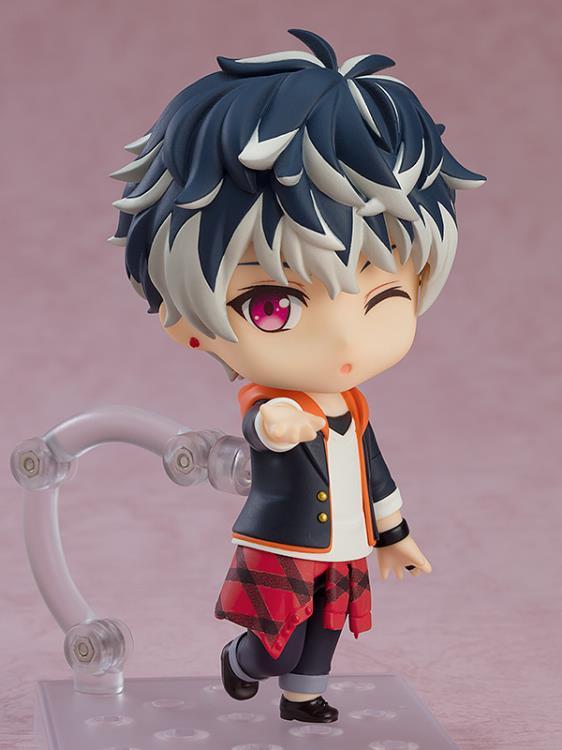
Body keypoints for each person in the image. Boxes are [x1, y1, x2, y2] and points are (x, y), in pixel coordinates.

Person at [111, 28, 485, 722]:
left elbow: (374, 473)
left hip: (345, 544)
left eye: (383, 296)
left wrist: (396, 535)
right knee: (275, 638)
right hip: (283, 541)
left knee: (327, 630)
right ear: (184, 319)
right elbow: (265, 426)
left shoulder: (354, 408)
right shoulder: (272, 404)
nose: (343, 338)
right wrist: (277, 424)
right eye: (274, 305)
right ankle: (243, 661)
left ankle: (304, 696)